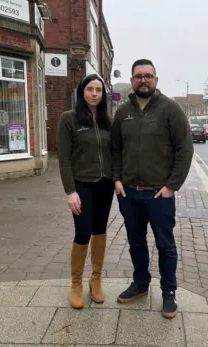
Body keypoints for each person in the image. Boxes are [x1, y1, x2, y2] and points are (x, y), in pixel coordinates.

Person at [111, 59, 194, 319]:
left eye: (148, 76)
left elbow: (185, 149)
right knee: (136, 242)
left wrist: (172, 186)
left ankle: (169, 291)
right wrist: (117, 179)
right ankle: (140, 283)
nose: (143, 80)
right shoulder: (123, 112)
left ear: (156, 80)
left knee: (165, 244)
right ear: (132, 80)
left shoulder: (170, 109)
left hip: (159, 193)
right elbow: (115, 149)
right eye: (138, 76)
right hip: (130, 194)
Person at [57, 74, 113, 309]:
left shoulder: (107, 121)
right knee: (83, 232)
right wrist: (70, 191)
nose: (94, 94)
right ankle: (76, 283)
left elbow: (115, 153)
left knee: (100, 231)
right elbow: (64, 159)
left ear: (103, 94)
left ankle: (96, 280)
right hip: (81, 185)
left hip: (105, 184)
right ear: (82, 91)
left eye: (98, 90)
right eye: (90, 89)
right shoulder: (69, 119)